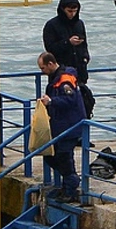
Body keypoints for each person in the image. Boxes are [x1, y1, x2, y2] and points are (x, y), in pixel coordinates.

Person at [38, 51, 87, 203]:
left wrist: (51, 101)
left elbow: (69, 100)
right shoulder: (56, 78)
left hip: (70, 124)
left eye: (43, 68)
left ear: (51, 64)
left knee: (64, 156)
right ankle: (68, 184)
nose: (42, 72)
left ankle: (71, 187)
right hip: (60, 125)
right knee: (51, 156)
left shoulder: (65, 80)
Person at [43, 0, 93, 116]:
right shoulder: (52, 25)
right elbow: (50, 48)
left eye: (75, 11)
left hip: (79, 73)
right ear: (62, 9)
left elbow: (84, 45)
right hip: (61, 74)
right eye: (69, 11)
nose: (72, 14)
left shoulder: (79, 24)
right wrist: (68, 43)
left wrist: (85, 58)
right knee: (61, 106)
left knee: (82, 105)